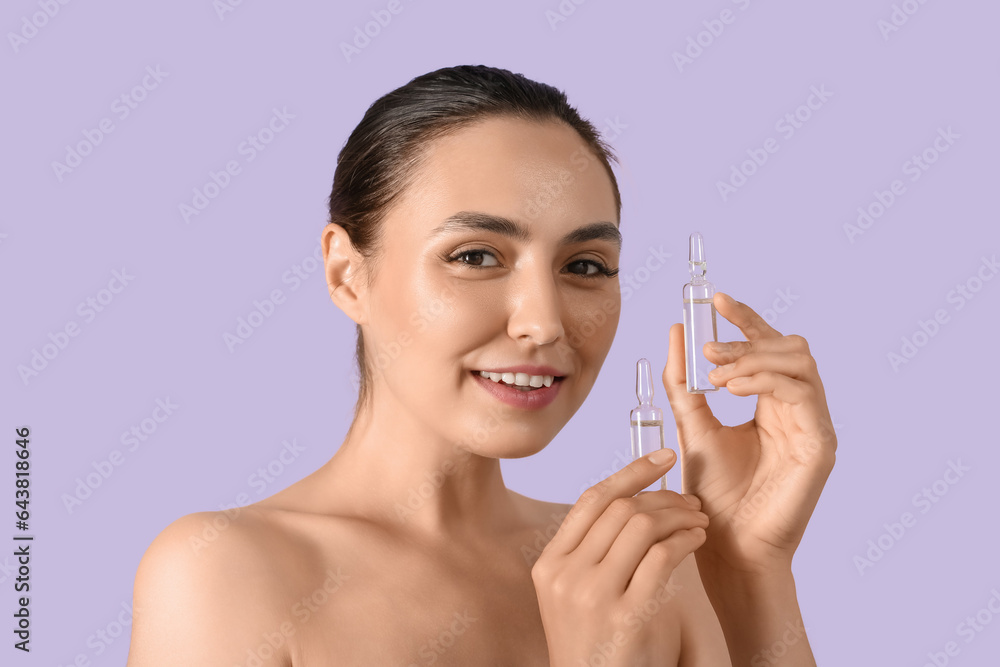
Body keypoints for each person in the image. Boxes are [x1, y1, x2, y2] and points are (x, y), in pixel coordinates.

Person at [126, 64, 836, 666]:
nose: (544, 321)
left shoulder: (636, 566)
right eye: (475, 256)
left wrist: (748, 567)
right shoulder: (224, 570)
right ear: (348, 275)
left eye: (585, 265)